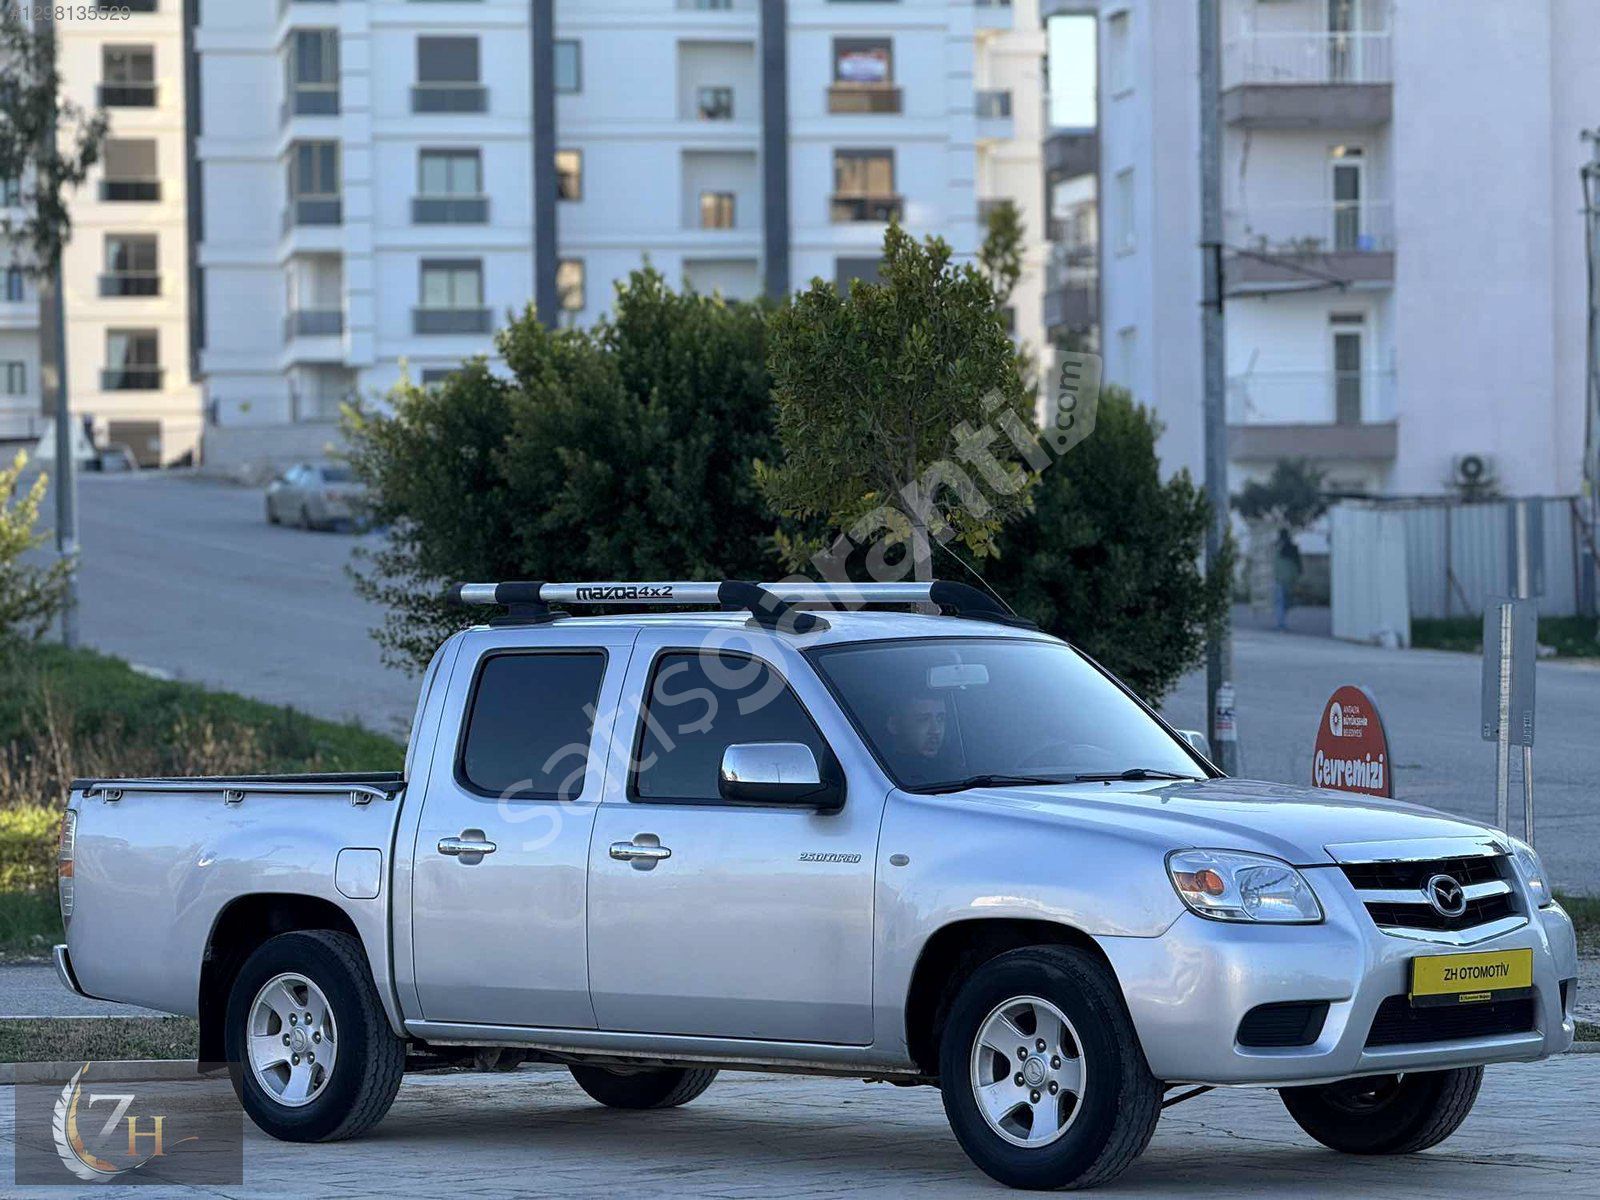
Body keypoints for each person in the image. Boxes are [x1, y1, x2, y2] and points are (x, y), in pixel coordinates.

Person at [885, 691, 950, 781]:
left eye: (940, 719)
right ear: (894, 724)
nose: (936, 730)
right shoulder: (881, 774)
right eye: (924, 719)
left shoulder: (957, 772)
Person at [1273, 528, 1302, 632]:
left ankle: (1281, 623)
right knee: (1286, 602)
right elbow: (1298, 565)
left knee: (1280, 602)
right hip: (1290, 579)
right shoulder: (1293, 548)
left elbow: (1275, 563)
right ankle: (1281, 623)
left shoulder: (1278, 548)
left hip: (1279, 579)